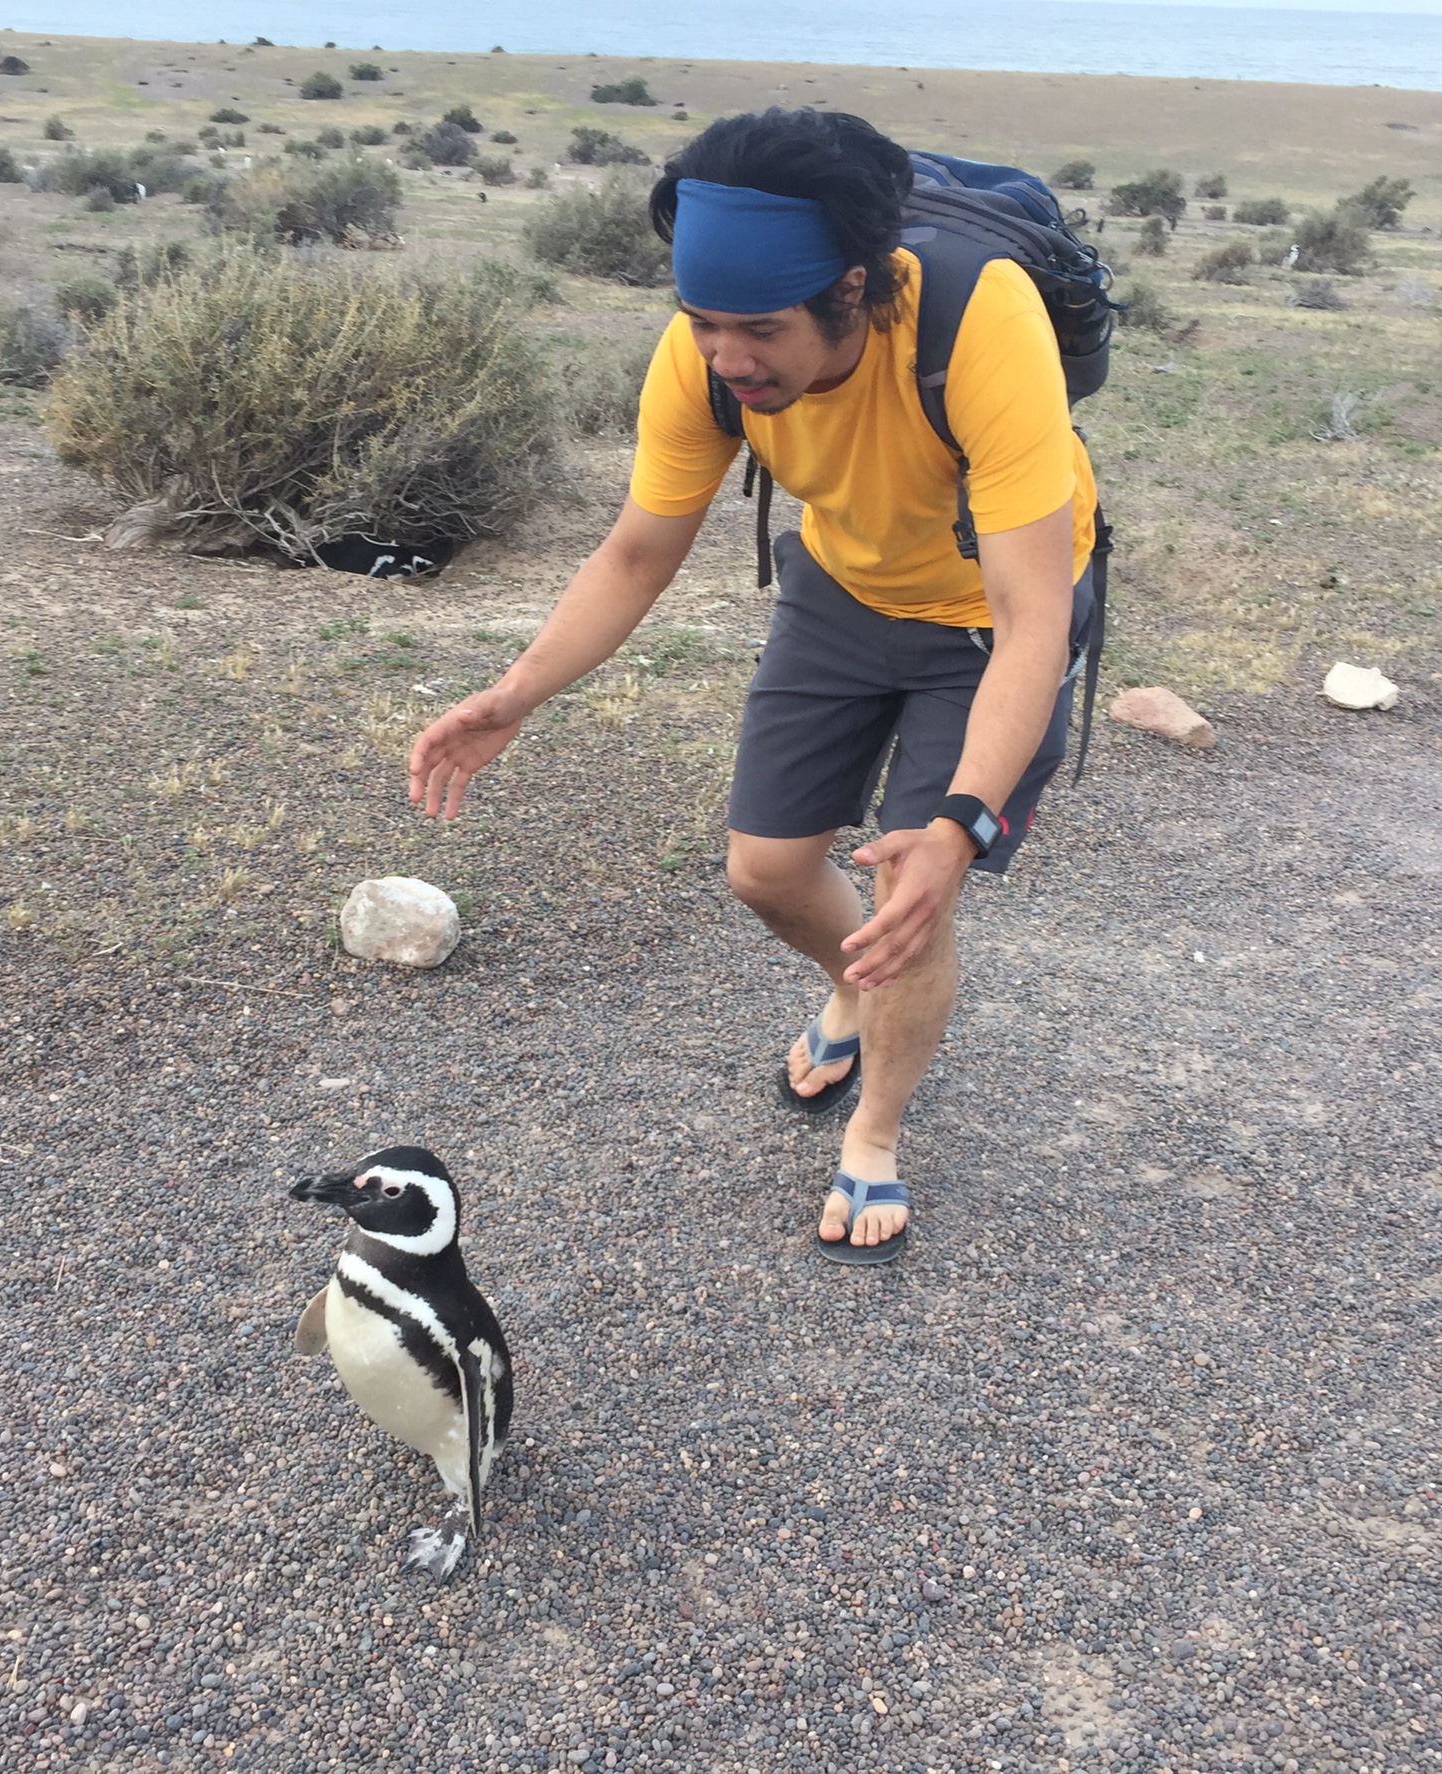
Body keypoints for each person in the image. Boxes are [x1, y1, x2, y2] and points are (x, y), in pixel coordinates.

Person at [409, 108, 1099, 1266]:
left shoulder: (978, 320)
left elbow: (1033, 618)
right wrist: (515, 692)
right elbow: (637, 552)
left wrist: (957, 824)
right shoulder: (707, 359)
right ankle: (855, 987)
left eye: (760, 329)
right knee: (766, 871)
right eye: (703, 322)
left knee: (912, 890)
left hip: (987, 619)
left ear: (853, 292)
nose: (726, 357)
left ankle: (875, 1132)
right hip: (842, 588)